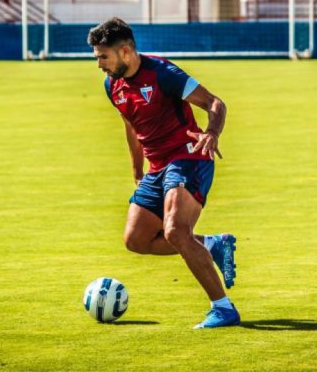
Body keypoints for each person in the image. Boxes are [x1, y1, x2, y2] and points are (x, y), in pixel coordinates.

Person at [88, 17, 239, 329]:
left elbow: (214, 102)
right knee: (136, 240)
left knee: (175, 231)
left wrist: (212, 132)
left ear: (125, 52)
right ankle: (212, 244)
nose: (99, 64)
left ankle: (223, 308)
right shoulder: (112, 85)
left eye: (103, 57)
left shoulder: (162, 73)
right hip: (157, 168)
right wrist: (136, 170)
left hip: (188, 158)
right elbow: (131, 127)